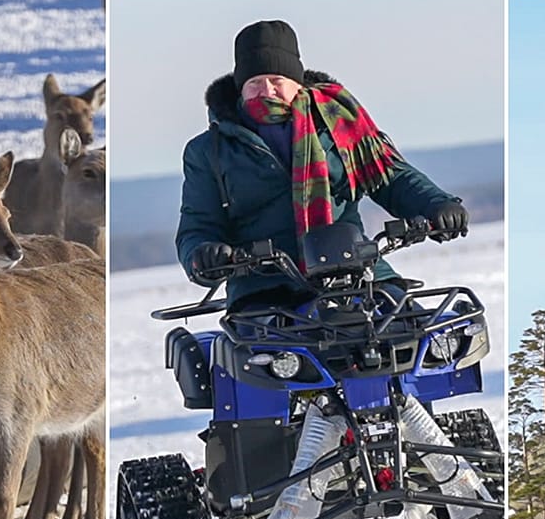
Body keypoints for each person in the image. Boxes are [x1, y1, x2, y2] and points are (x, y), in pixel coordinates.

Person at [176, 19, 470, 311]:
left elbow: (392, 177)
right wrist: (204, 255)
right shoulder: (208, 151)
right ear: (241, 88)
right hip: (264, 286)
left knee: (422, 334)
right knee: (264, 353)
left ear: (297, 83)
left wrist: (438, 206)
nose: (266, 91)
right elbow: (198, 223)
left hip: (357, 270)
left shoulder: (339, 123)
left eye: (277, 81)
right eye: (254, 83)